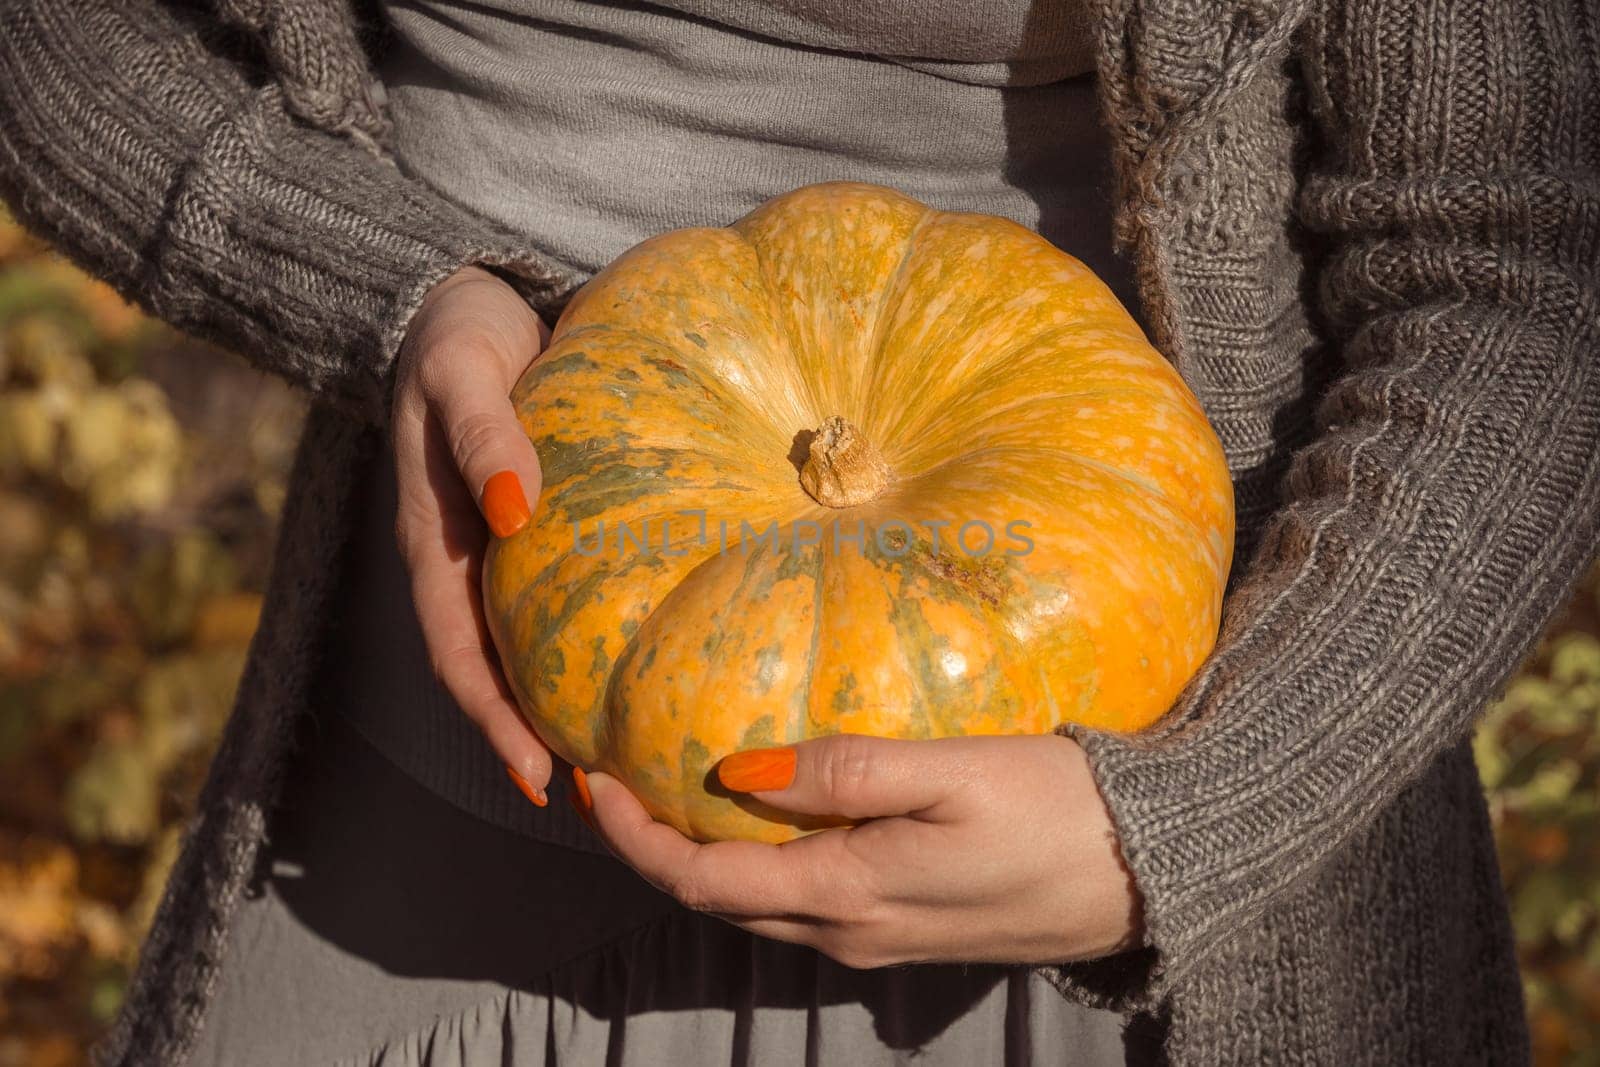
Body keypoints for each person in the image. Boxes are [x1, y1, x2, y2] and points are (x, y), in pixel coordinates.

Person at [2, 0, 1595, 1063]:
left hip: (1122, 881)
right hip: (416, 844)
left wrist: (1207, 813)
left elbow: (1520, 265)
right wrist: (389, 288)